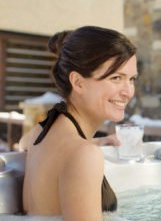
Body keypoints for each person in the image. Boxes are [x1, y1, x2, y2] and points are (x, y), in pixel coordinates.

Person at [19, 26, 138, 220]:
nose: (128, 91)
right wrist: (85, 148)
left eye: (132, 79)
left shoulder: (42, 132)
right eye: (116, 78)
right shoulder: (83, 155)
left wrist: (91, 142)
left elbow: (24, 144)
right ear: (78, 82)